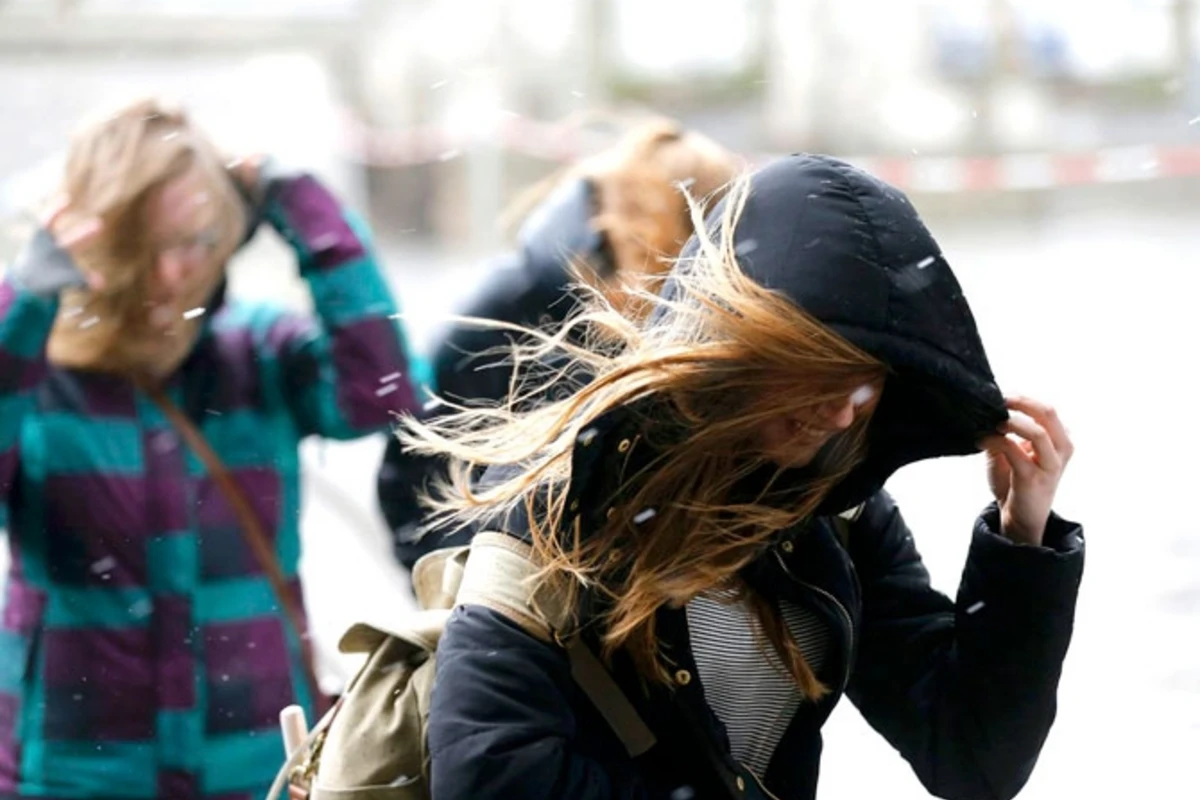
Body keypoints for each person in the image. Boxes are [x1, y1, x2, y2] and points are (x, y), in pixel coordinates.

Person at [400, 154, 1085, 800]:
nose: (843, 413)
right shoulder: (564, 506)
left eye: (868, 380)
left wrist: (1021, 542)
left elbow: (969, 755)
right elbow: (486, 776)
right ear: (740, 352)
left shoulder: (840, 513)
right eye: (819, 374)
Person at [0, 100, 419, 800]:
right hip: (74, 772)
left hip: (259, 765)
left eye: (195, 241)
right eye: (146, 247)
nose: (172, 275)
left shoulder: (256, 353)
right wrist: (21, 308)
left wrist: (305, 208)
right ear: (94, 248)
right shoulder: (36, 375)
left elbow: (379, 390)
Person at [377, 120, 740, 570]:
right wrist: (489, 584)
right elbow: (418, 479)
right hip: (507, 597)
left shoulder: (704, 324)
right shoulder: (510, 310)